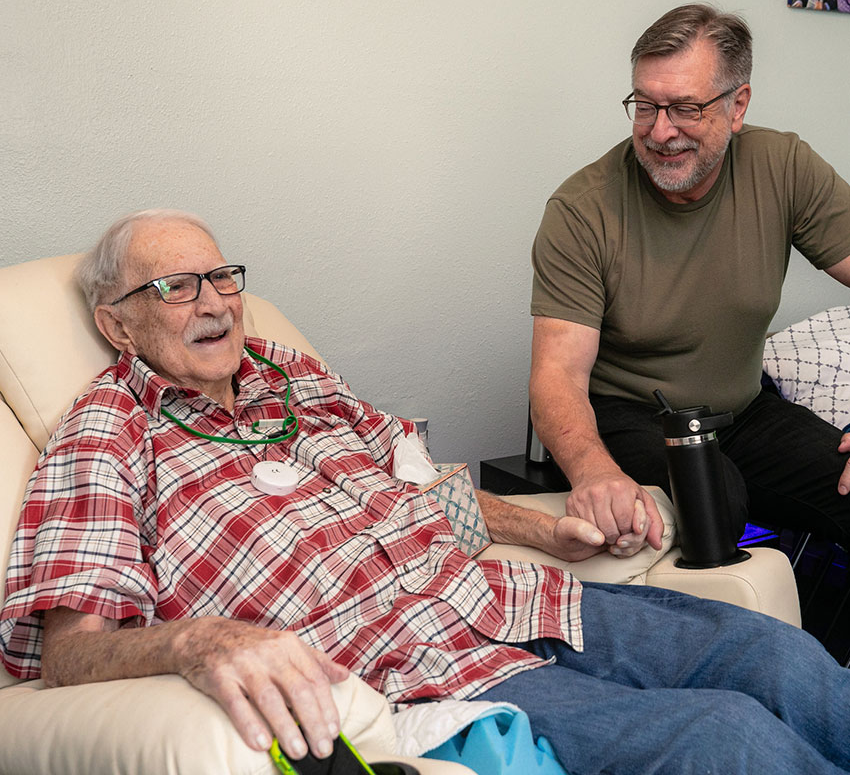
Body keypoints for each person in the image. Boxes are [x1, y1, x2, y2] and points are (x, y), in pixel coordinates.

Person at [1, 209, 849, 775]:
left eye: (222, 277)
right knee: (725, 741)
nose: (215, 302)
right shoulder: (107, 436)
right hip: (429, 669)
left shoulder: (293, 377)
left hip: (513, 598)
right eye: (174, 287)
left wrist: (549, 533)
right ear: (118, 323)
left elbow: (422, 489)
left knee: (776, 656)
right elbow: (71, 650)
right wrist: (199, 643)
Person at [529, 3, 850, 563]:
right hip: (625, 416)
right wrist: (594, 472)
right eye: (646, 106)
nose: (660, 131)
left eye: (684, 108)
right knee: (712, 503)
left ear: (737, 106)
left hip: (742, 411)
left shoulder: (783, 166)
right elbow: (557, 377)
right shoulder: (582, 209)